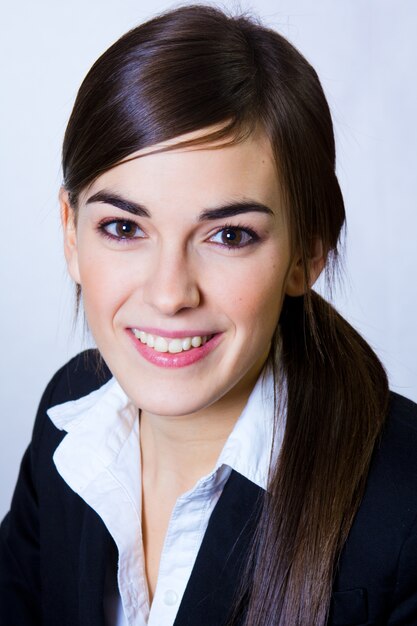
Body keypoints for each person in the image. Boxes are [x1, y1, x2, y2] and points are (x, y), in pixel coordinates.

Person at [1, 4, 416, 626]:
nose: (170, 294)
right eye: (122, 227)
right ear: (70, 234)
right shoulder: (69, 413)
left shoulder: (406, 505)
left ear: (307, 251)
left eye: (229, 237)